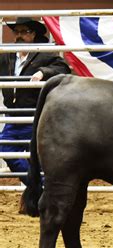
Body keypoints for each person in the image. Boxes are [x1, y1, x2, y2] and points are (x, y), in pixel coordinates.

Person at [0, 17, 71, 213]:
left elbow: (62, 68)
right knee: (6, 149)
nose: (19, 36)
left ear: (34, 35)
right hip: (13, 115)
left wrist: (42, 72)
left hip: (36, 114)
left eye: (24, 32)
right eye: (17, 32)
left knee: (38, 157)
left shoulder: (43, 55)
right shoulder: (6, 55)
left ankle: (39, 193)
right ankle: (42, 188)